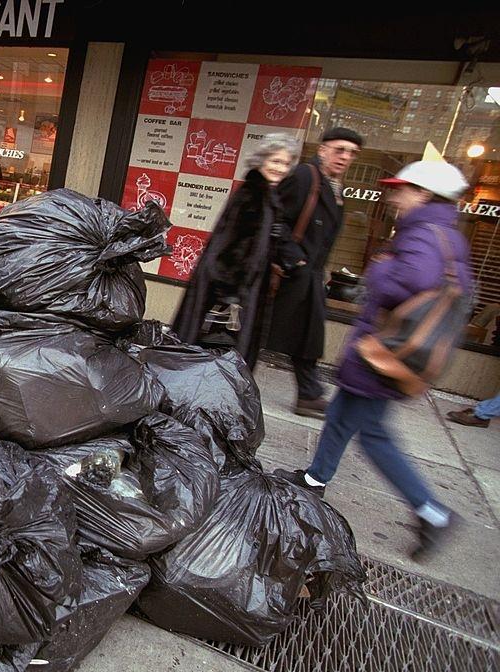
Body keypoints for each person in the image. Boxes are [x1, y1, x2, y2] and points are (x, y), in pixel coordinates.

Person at [274, 160, 474, 561]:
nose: (394, 196)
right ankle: (315, 479)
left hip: (386, 352)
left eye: (402, 190)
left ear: (423, 194)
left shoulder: (423, 234)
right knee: (342, 413)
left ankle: (432, 512)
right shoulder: (446, 234)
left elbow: (410, 281)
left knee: (374, 435)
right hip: (391, 350)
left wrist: (379, 272)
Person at [172, 133, 300, 369]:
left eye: (285, 163)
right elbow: (230, 247)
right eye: (275, 161)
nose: (280, 168)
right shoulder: (253, 194)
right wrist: (229, 296)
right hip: (229, 290)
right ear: (261, 160)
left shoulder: (267, 194)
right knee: (215, 356)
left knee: (213, 357)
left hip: (239, 288)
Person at [265, 127, 364, 418]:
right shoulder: (305, 176)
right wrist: (295, 260)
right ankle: (222, 377)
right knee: (256, 331)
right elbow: (274, 216)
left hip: (308, 276)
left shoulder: (333, 185)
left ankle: (309, 394)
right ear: (323, 150)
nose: (345, 157)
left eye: (351, 153)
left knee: (308, 335)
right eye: (339, 149)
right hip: (287, 274)